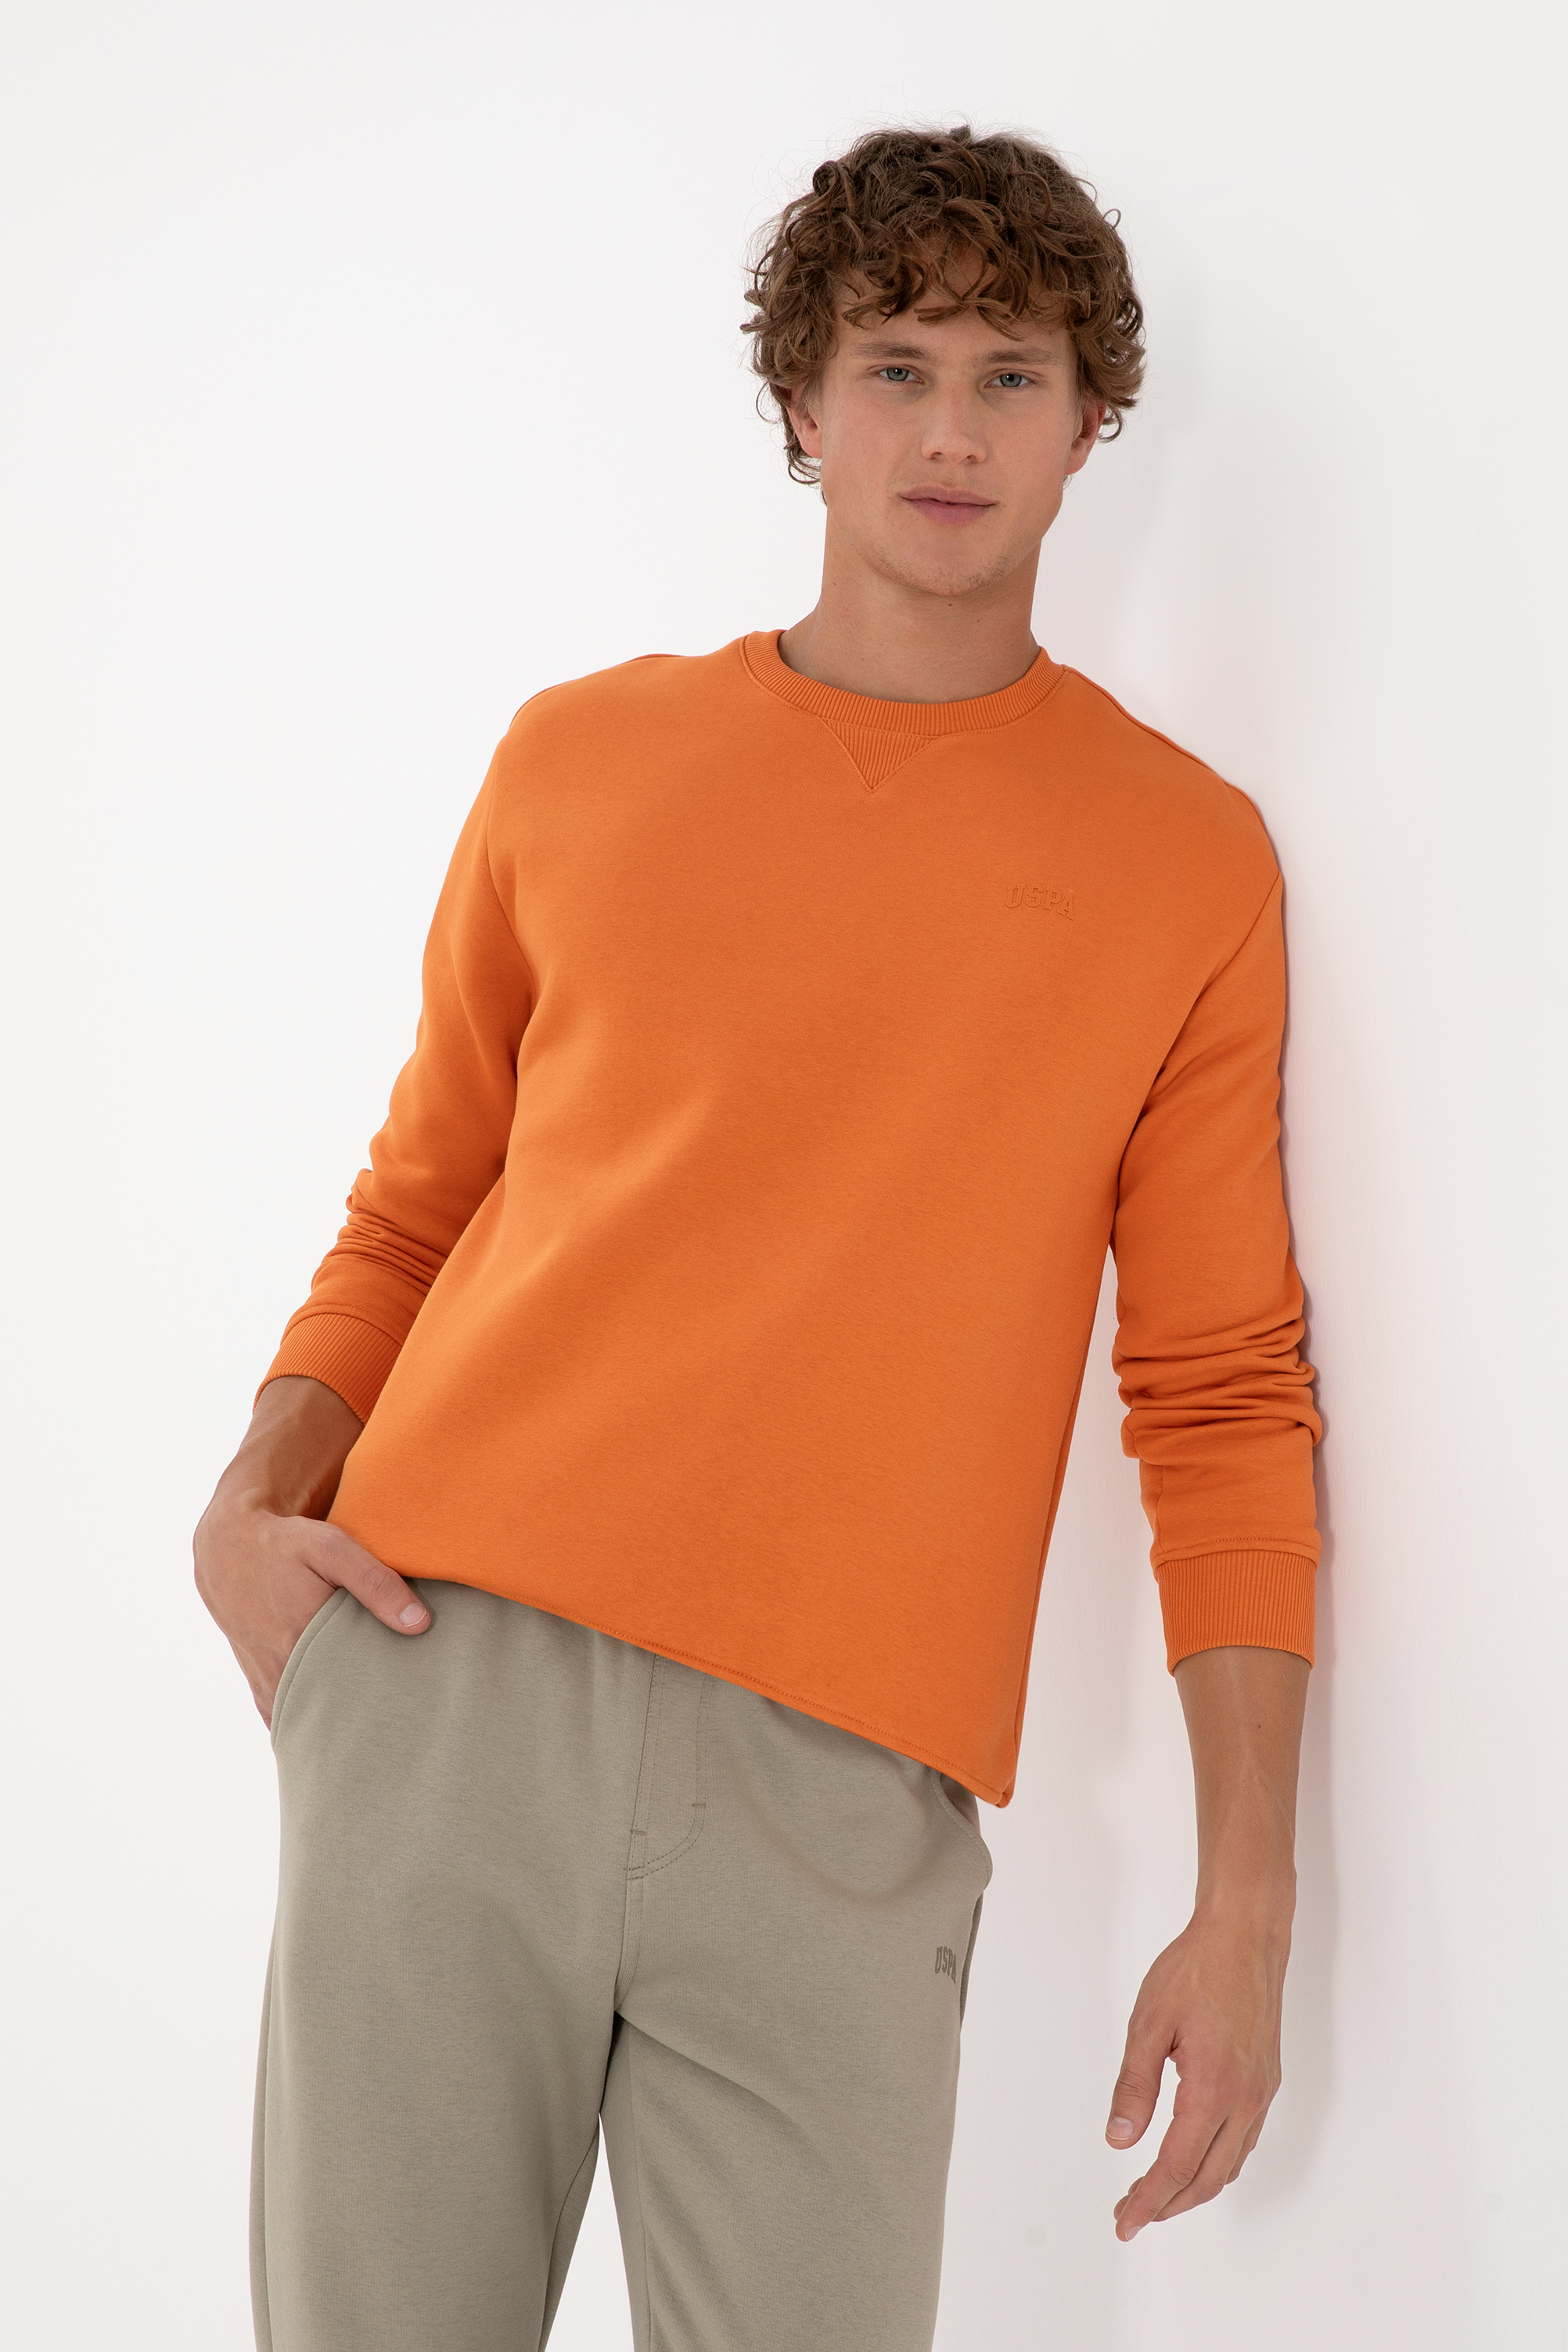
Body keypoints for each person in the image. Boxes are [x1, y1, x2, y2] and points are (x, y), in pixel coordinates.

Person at [196, 124, 1321, 2352]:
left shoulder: (1186, 862)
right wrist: (252, 1502)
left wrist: (1247, 1905)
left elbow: (1217, 1400)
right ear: (800, 403)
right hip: (449, 1689)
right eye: (894, 365)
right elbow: (421, 1200)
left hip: (841, 1788)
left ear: (1089, 424)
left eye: (1008, 375)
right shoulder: (579, 761)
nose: (947, 431)